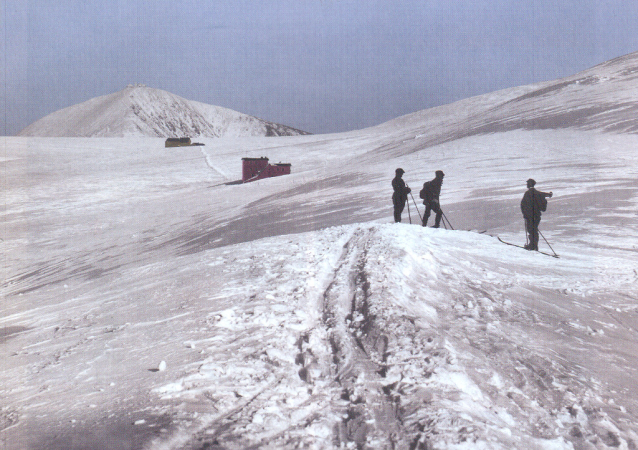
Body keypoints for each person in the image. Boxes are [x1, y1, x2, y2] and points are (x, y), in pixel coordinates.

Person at [520, 178, 553, 250]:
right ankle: (534, 245)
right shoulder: (538, 193)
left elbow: (522, 204)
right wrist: (550, 194)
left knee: (531, 230)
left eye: (527, 183)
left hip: (529, 216)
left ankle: (532, 246)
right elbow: (546, 195)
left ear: (529, 184)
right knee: (534, 230)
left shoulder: (527, 193)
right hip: (537, 216)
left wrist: (524, 214)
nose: (527, 185)